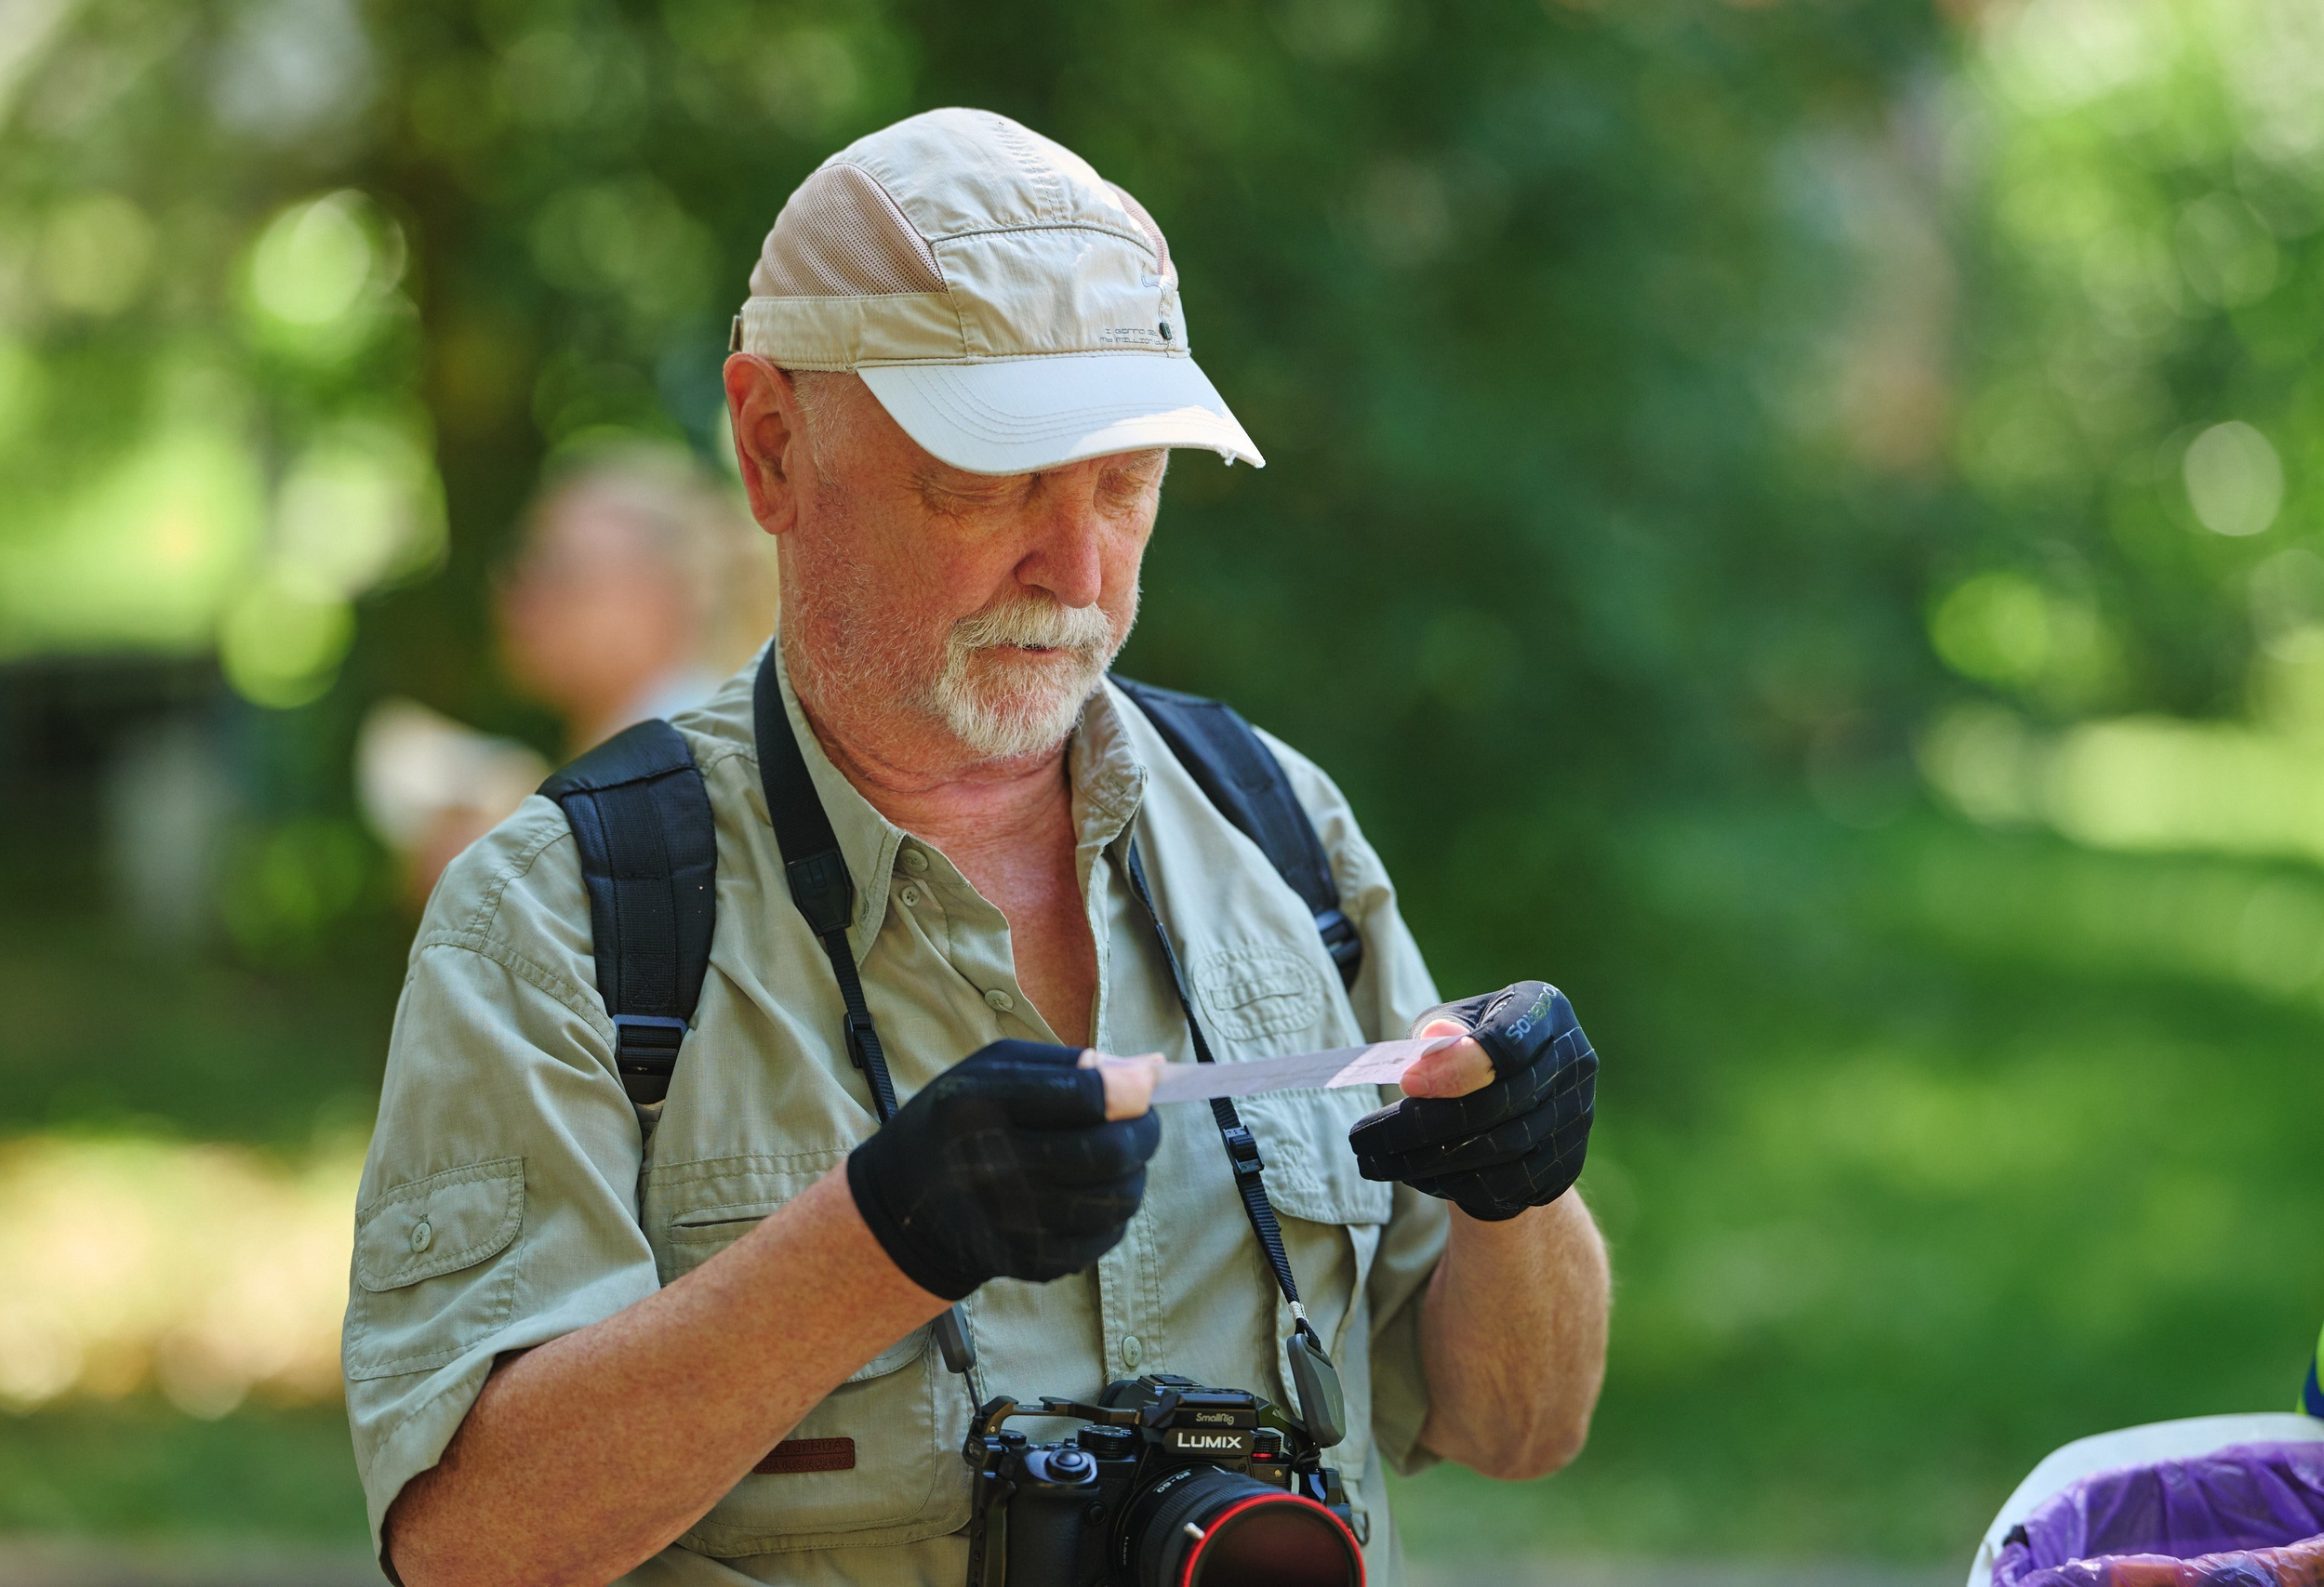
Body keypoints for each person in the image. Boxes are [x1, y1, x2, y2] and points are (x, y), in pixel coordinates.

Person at [343, 108, 1610, 1587]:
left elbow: (1518, 1423)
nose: (1075, 569)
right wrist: (874, 1239)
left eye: (1127, 482)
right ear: (772, 448)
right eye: (994, 479)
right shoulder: (564, 912)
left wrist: (1520, 1188)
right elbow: (468, 1542)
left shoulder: (1279, 829)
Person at [357, 443, 775, 902]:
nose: (518, 589)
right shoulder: (681, 751)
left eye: (560, 570)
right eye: (523, 562)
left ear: (661, 597)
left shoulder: (686, 766)